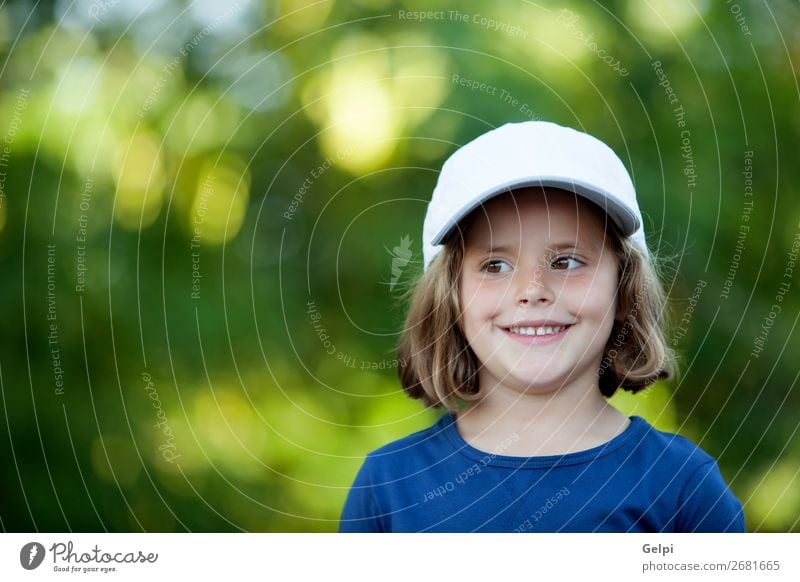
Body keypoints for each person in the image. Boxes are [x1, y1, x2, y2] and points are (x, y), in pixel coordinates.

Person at [339, 121, 746, 532]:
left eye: (567, 262)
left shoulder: (681, 488)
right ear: (451, 298)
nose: (533, 291)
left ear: (623, 290)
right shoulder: (389, 487)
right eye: (495, 265)